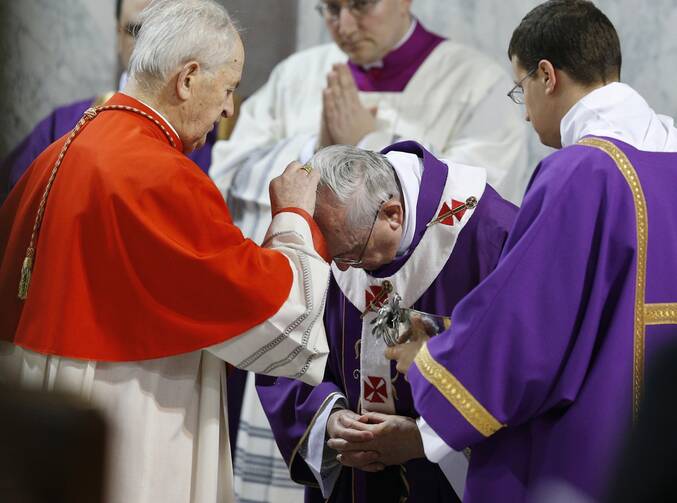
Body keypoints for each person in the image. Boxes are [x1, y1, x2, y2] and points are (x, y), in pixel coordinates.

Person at [0, 2, 331, 502]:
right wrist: (294, 218)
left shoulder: (66, 147)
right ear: (188, 78)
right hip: (135, 408)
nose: (228, 110)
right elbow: (277, 313)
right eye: (229, 87)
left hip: (54, 409)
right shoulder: (159, 174)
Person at [212, 2, 527, 499]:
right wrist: (327, 419)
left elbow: (513, 359)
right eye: (330, 8)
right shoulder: (298, 75)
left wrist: (373, 142)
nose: (344, 23)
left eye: (359, 4)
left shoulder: (476, 88)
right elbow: (229, 180)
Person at [386, 1, 677, 501]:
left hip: (590, 449)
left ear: (548, 76)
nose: (523, 111)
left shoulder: (581, 172)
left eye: (519, 88)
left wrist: (431, 362)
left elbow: (527, 328)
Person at [256, 142, 517, 502]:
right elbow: (281, 343)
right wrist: (329, 418)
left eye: (351, 254)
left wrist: (425, 439)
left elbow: (515, 371)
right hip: (354, 481)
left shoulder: (494, 238)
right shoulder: (332, 234)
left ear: (393, 214)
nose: (342, 269)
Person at [0, 0, 237, 205]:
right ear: (117, 34)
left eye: (169, 34)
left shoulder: (230, 135)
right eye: (138, 30)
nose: (151, 44)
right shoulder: (62, 127)